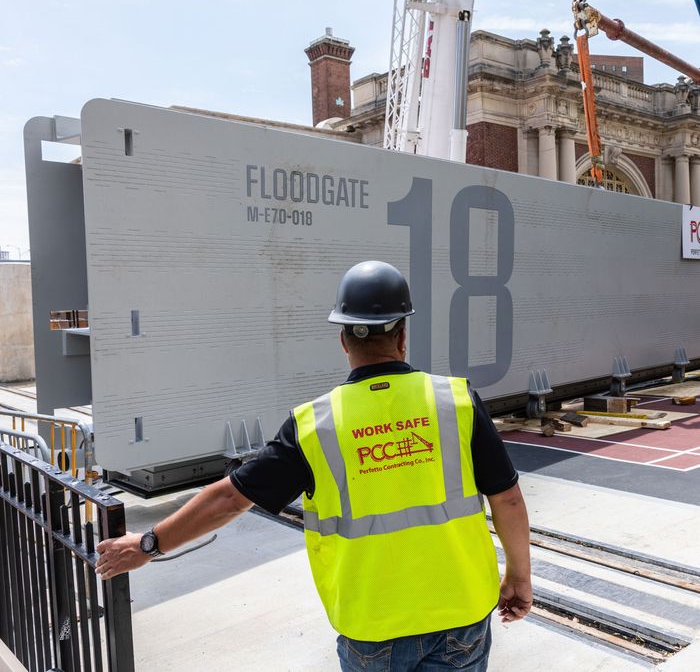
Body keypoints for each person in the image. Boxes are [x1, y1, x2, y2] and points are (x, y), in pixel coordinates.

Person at [97, 260, 532, 671]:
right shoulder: (455, 402)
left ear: (343, 340)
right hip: (460, 615)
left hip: (371, 628)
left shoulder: (314, 427)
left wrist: (148, 545)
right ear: (403, 335)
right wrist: (518, 577)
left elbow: (230, 498)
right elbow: (508, 499)